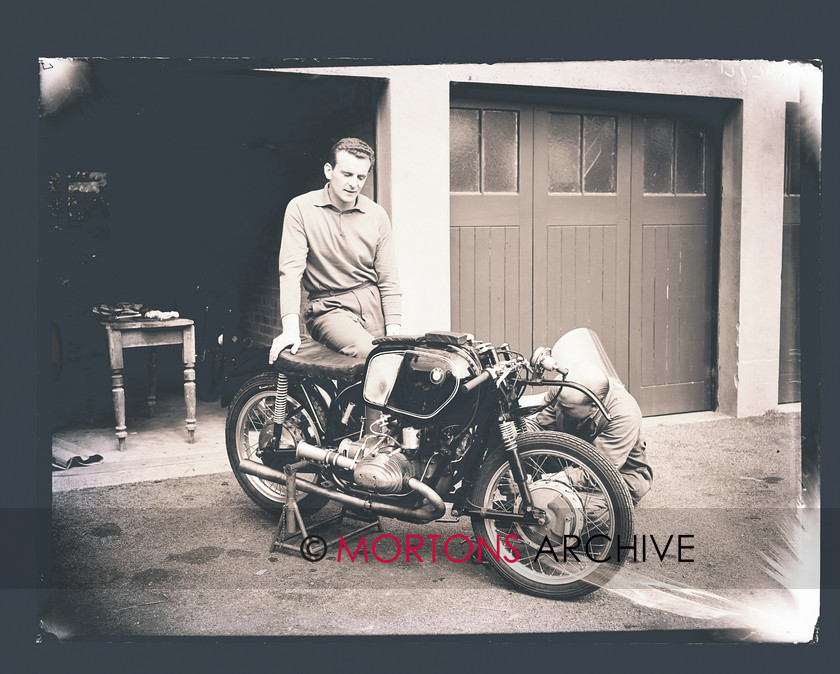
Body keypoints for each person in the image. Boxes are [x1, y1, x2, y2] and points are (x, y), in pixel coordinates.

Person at [269, 138, 401, 364]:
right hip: (328, 307)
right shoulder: (300, 208)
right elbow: (290, 272)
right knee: (372, 356)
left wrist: (395, 332)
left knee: (396, 364)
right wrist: (290, 329)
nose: (354, 184)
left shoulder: (376, 215)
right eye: (347, 174)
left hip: (372, 304)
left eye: (361, 177)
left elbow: (388, 279)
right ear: (329, 170)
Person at [526, 360, 653, 506]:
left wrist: (543, 481)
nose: (557, 409)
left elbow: (598, 471)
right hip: (569, 459)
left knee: (564, 509)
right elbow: (542, 428)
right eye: (558, 404)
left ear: (593, 407)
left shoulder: (623, 415)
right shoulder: (563, 390)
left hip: (614, 475)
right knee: (520, 440)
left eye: (566, 408)